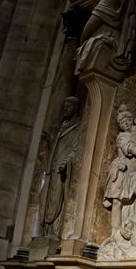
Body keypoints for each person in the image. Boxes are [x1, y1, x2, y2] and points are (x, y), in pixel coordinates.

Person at [40, 96, 82, 237]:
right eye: (64, 107)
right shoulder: (63, 125)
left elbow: (76, 148)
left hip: (62, 168)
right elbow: (57, 147)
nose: (65, 109)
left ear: (75, 108)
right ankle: (46, 229)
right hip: (53, 168)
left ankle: (55, 230)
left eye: (68, 107)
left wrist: (67, 161)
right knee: (48, 198)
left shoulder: (77, 126)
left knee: (58, 198)